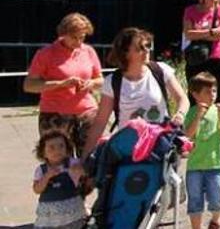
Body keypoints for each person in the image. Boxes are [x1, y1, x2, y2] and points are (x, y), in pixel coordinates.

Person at [82, 28, 190, 154]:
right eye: (139, 49)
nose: (146, 51)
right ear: (125, 53)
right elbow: (100, 122)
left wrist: (180, 115)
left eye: (147, 46)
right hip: (128, 149)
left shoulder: (161, 70)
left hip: (160, 146)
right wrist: (85, 157)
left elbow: (182, 99)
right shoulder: (113, 82)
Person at [24, 13, 103, 158]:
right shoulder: (46, 54)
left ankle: (86, 181)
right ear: (63, 34)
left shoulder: (89, 51)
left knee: (90, 158)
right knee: (58, 160)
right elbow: (29, 85)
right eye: (74, 37)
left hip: (86, 112)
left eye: (82, 37)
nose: (79, 42)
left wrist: (91, 83)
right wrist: (61, 84)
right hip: (55, 114)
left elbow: (100, 79)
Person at [184, 72, 220, 229]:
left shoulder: (219, 110)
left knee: (216, 196)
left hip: (215, 163)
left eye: (214, 91)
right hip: (195, 165)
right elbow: (188, 135)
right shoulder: (191, 112)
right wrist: (198, 116)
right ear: (195, 94)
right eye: (207, 92)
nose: (212, 95)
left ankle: (215, 219)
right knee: (195, 199)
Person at [183, 0, 220, 107]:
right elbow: (188, 34)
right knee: (194, 95)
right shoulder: (191, 11)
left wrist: (199, 34)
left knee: (219, 97)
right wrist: (211, 32)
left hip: (218, 59)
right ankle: (194, 124)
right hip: (196, 58)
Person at [31, 129, 87, 229]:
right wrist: (47, 177)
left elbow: (86, 172)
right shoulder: (41, 170)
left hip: (72, 214)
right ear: (43, 153)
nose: (57, 151)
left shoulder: (72, 163)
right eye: (51, 147)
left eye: (61, 146)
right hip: (50, 217)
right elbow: (36, 189)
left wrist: (79, 170)